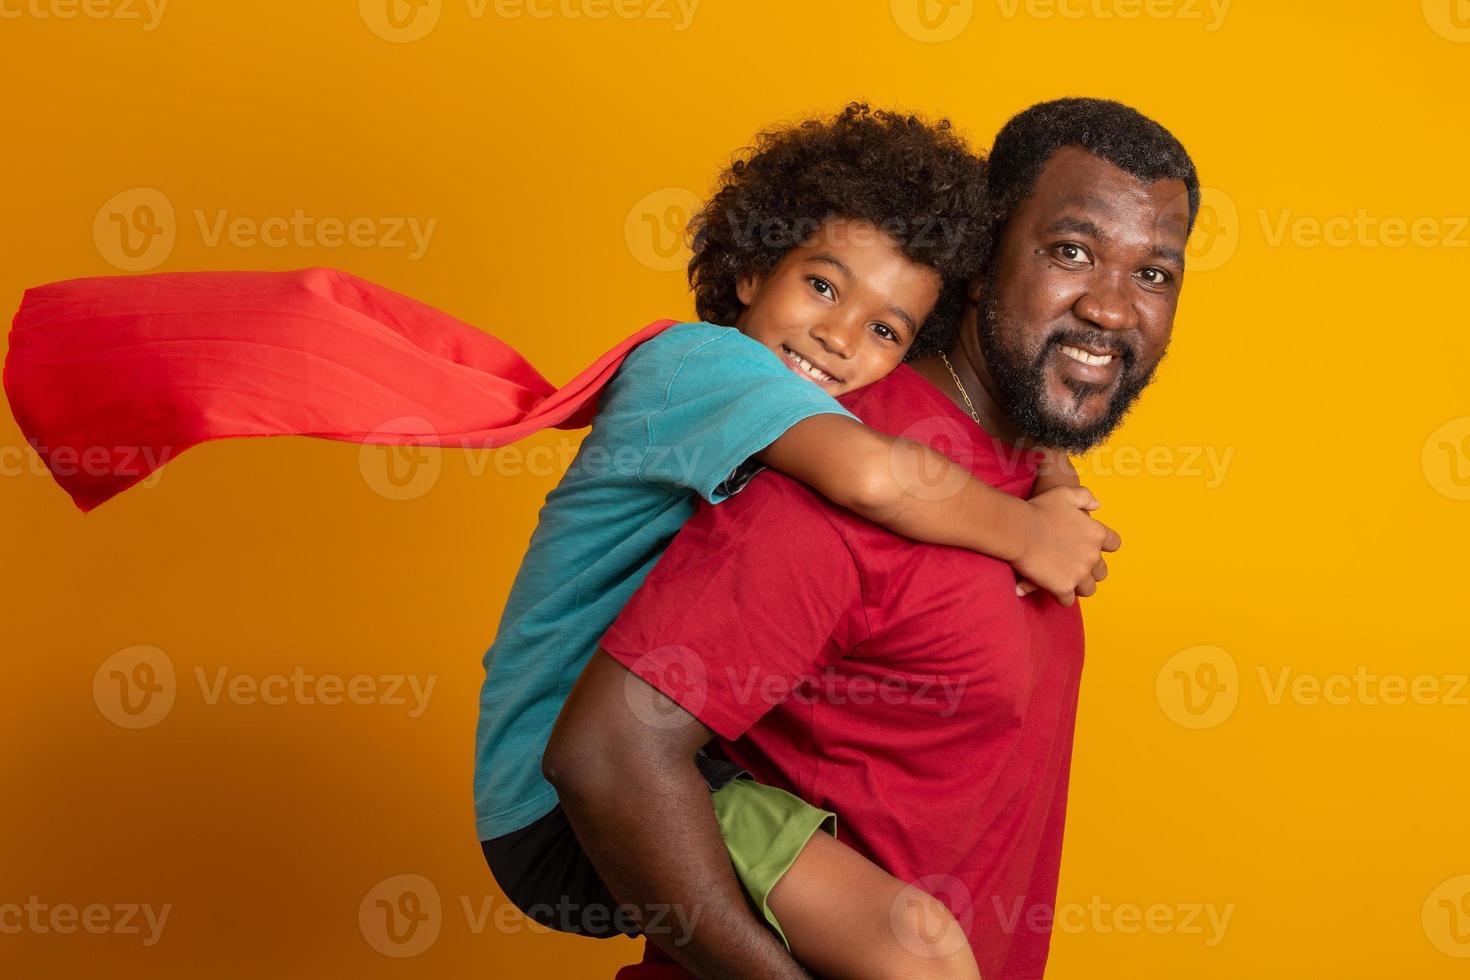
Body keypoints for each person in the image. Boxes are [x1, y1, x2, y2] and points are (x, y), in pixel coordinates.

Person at [543, 96, 1200, 980]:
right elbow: (609, 754)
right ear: (981, 258)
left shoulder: (1010, 479)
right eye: (1071, 252)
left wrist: (1046, 475)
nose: (1115, 310)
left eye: (1154, 273)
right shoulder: (835, 471)